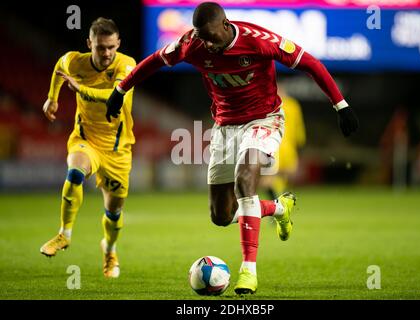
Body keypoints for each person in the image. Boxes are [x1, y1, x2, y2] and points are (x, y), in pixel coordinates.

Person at [106, 2, 358, 294]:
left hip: (264, 119)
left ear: (225, 26)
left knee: (245, 181)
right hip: (225, 128)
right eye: (202, 36)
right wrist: (120, 90)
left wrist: (341, 105)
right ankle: (278, 208)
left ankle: (248, 272)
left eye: (211, 36)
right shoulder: (191, 44)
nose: (207, 43)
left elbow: (309, 63)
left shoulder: (258, 41)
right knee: (221, 215)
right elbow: (154, 61)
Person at [40, 17, 136, 279]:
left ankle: (110, 250)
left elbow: (114, 96)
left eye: (111, 47)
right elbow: (60, 66)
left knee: (114, 213)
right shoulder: (75, 61)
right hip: (86, 140)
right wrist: (52, 98)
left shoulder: (127, 65)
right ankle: (64, 234)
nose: (106, 53)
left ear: (118, 44)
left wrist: (81, 88)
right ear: (89, 44)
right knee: (75, 172)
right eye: (100, 47)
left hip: (117, 151)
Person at [260, 84, 306, 199]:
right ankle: (278, 203)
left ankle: (275, 203)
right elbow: (299, 128)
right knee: (284, 175)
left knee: (268, 179)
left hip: (273, 146)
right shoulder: (293, 105)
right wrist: (300, 141)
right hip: (288, 147)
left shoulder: (269, 104)